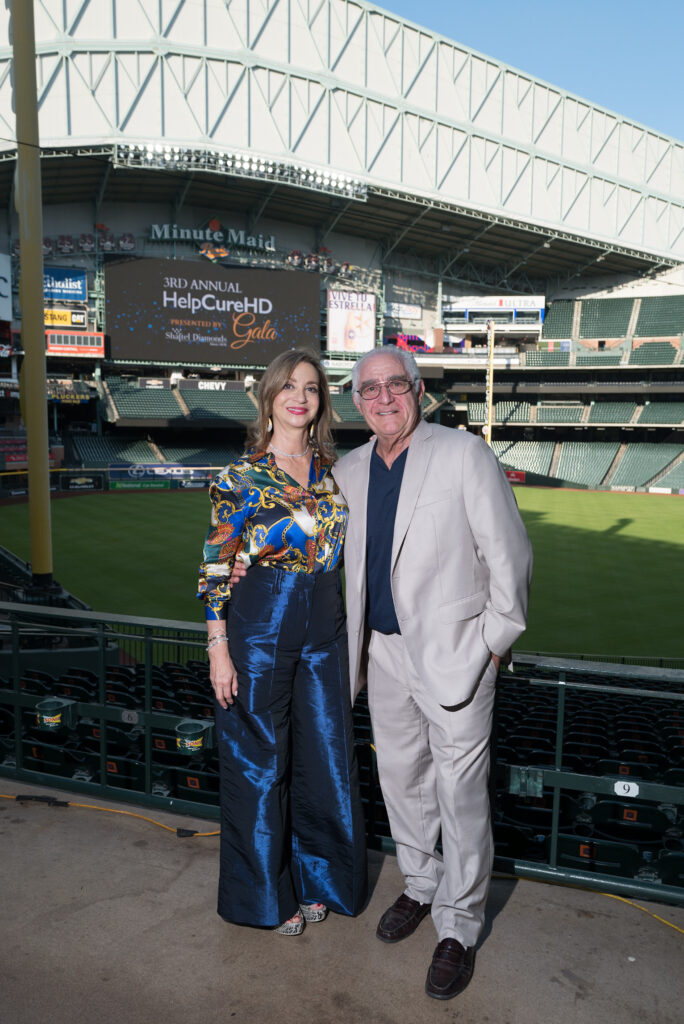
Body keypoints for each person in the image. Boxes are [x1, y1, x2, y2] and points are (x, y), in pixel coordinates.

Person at [332, 345, 532, 1000]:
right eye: (369, 389)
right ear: (356, 401)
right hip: (382, 653)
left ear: (418, 391)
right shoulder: (351, 470)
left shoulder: (463, 454)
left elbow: (510, 556)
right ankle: (420, 886)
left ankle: (460, 924)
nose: (383, 397)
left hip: (456, 655)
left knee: (461, 794)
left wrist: (495, 644)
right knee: (401, 779)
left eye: (396, 385)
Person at [197, 349, 367, 935]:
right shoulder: (239, 476)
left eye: (313, 388)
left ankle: (317, 878)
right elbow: (216, 564)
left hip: (325, 623)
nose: (300, 396)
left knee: (324, 758)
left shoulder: (332, 470)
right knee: (259, 763)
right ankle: (265, 898)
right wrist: (218, 645)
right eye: (289, 386)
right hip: (260, 623)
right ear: (269, 397)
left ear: (321, 402)